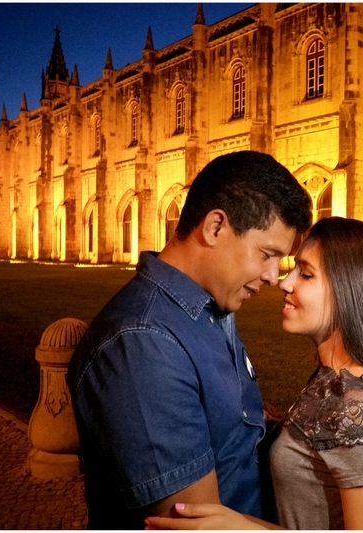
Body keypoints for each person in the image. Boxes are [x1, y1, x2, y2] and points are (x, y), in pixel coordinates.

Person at [66, 150, 312, 529]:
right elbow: (193, 524)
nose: (273, 276)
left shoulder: (207, 309)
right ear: (215, 227)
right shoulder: (143, 343)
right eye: (267, 254)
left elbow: (239, 434)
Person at [146, 217, 363, 530]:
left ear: (351, 289)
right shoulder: (330, 380)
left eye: (306, 274)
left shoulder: (361, 406)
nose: (285, 283)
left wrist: (245, 529)